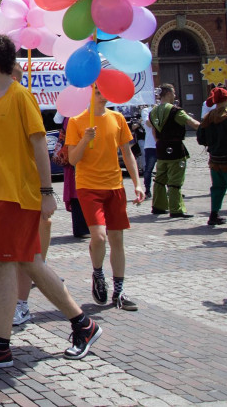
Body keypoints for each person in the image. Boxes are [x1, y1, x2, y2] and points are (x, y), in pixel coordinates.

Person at [0, 34, 102, 369]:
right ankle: (83, 325)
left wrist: (47, 193)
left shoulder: (20, 97)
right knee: (29, 262)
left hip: (20, 195)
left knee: (7, 265)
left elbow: (39, 146)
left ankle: (1, 347)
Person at [67, 91, 144, 311]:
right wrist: (85, 139)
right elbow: (73, 159)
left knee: (117, 239)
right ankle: (98, 273)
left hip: (115, 186)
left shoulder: (117, 118)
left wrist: (137, 183)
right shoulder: (77, 121)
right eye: (99, 91)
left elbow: (127, 153)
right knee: (99, 237)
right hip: (89, 186)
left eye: (107, 91)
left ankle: (119, 291)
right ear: (90, 92)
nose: (104, 96)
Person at [149, 84, 200, 218]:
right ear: (168, 93)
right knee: (175, 179)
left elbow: (154, 131)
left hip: (160, 148)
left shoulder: (152, 112)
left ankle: (158, 206)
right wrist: (209, 127)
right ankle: (176, 208)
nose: (175, 95)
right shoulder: (176, 111)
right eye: (173, 92)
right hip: (175, 149)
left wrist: (159, 143)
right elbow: (193, 123)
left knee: (160, 178)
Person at [197, 87, 227, 226]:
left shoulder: (207, 119)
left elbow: (200, 139)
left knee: (217, 187)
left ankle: (213, 215)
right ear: (226, 99)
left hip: (215, 160)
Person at [57, 121, 91, 239]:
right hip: (75, 161)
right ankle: (82, 228)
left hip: (86, 162)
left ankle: (87, 227)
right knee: (76, 193)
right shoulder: (73, 118)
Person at [140, 103, 157, 199]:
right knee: (148, 170)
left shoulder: (162, 109)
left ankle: (171, 190)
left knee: (166, 168)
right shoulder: (146, 110)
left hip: (162, 143)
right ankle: (147, 191)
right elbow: (148, 123)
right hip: (150, 144)